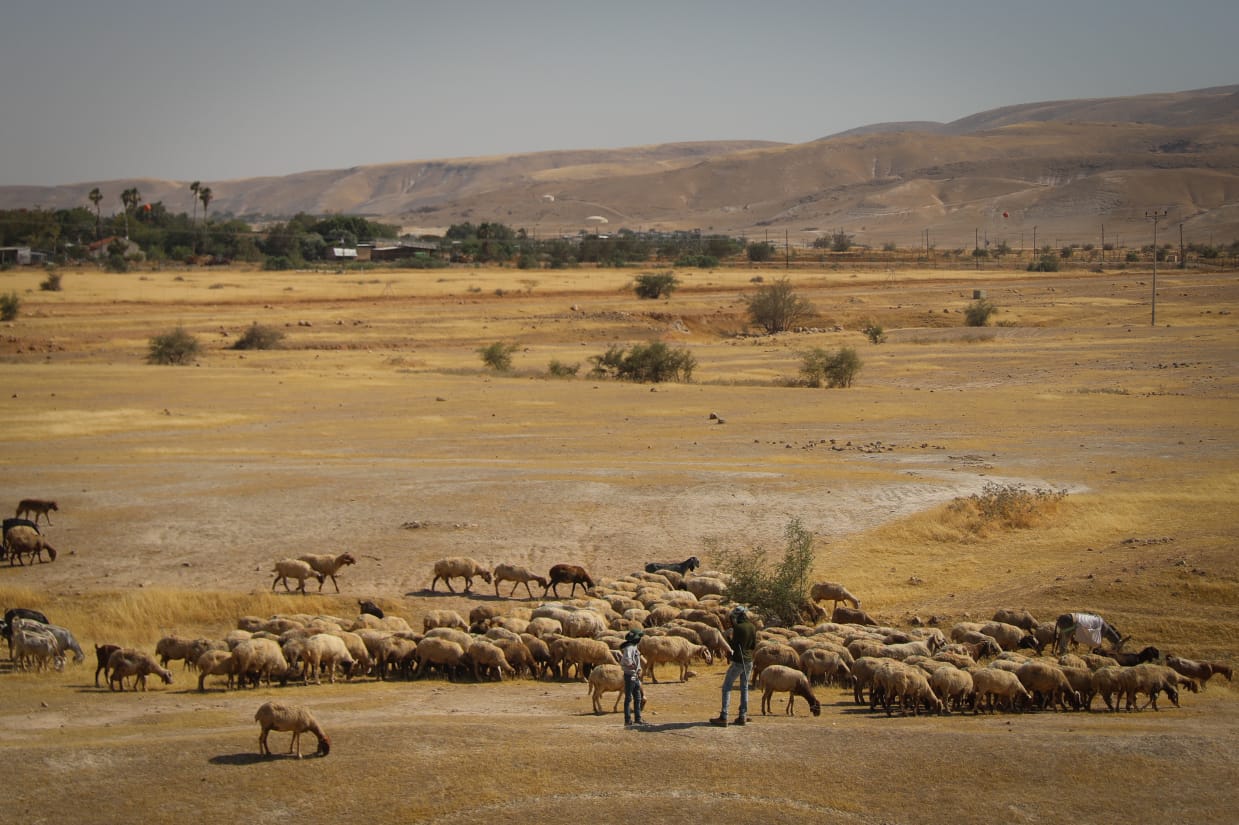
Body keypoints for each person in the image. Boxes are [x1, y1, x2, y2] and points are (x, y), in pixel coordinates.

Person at [711, 604, 757, 727]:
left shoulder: (737, 628)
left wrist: (729, 638)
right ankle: (743, 715)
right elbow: (753, 646)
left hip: (738, 661)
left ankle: (724, 716)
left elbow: (733, 647)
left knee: (726, 687)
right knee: (744, 687)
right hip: (749, 661)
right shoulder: (752, 627)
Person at [619, 628, 646, 726]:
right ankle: (627, 720)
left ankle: (638, 718)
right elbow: (627, 659)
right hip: (630, 675)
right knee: (628, 697)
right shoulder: (629, 648)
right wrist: (632, 666)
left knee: (637, 697)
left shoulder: (634, 647)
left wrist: (638, 669)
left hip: (635, 675)